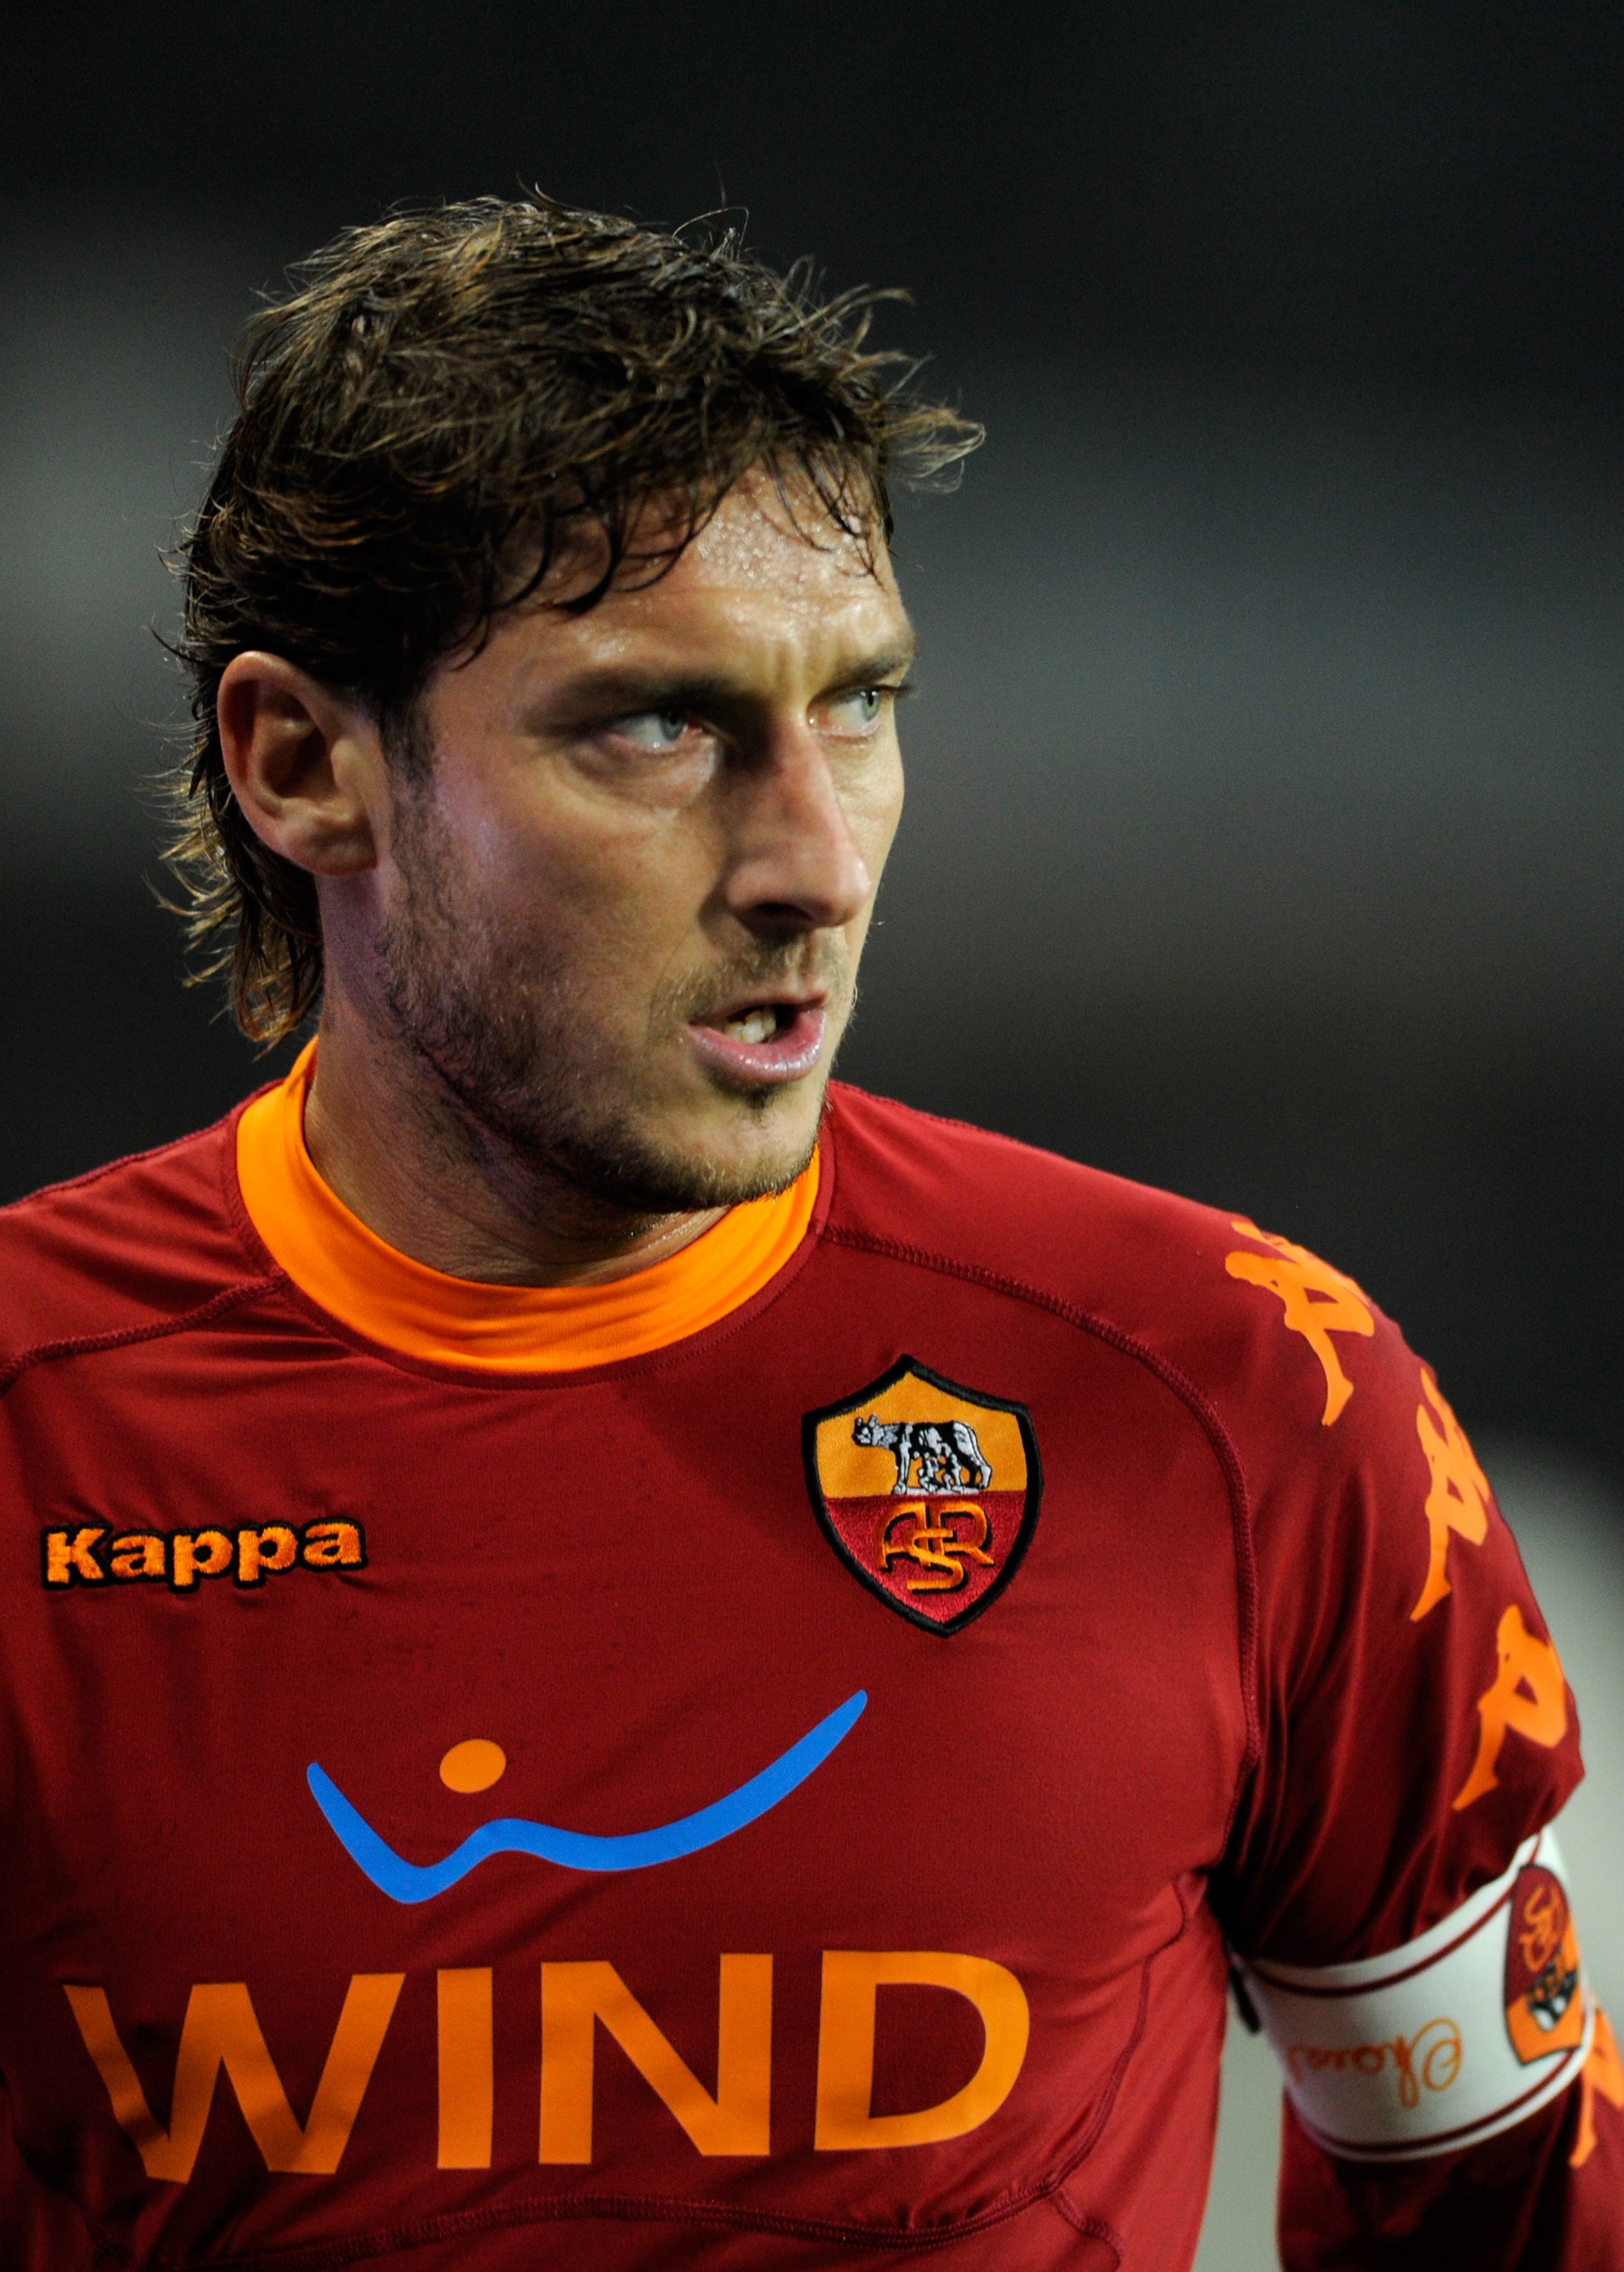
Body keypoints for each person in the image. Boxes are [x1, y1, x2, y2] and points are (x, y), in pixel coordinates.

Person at [0, 195, 1616, 2272]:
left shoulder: (1241, 1398)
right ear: (307, 766)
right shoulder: (41, 1422)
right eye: (653, 725)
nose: (815, 858)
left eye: (858, 704)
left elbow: (1512, 2211)